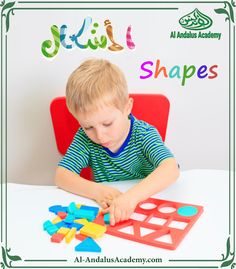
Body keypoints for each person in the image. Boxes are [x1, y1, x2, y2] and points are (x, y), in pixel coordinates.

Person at [54, 58, 179, 226]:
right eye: (88, 126)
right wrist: (97, 191)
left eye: (107, 124)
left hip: (146, 208)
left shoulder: (143, 134)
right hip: (110, 213)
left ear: (127, 107)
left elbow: (171, 168)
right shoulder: (85, 139)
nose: (99, 135)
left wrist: (131, 197)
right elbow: (61, 176)